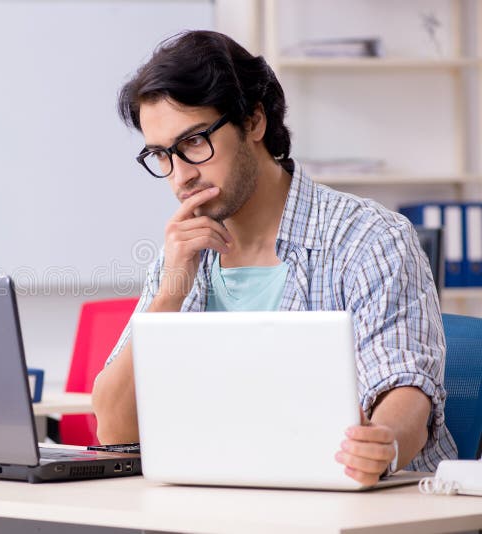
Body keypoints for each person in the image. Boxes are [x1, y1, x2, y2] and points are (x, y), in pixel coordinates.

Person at [91, 30, 457, 486]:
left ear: (253, 121)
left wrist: (383, 441)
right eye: (161, 155)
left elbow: (407, 388)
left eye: (194, 143)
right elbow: (114, 429)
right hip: (222, 505)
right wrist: (168, 294)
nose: (181, 175)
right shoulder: (183, 255)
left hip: (364, 509)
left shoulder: (370, 238)